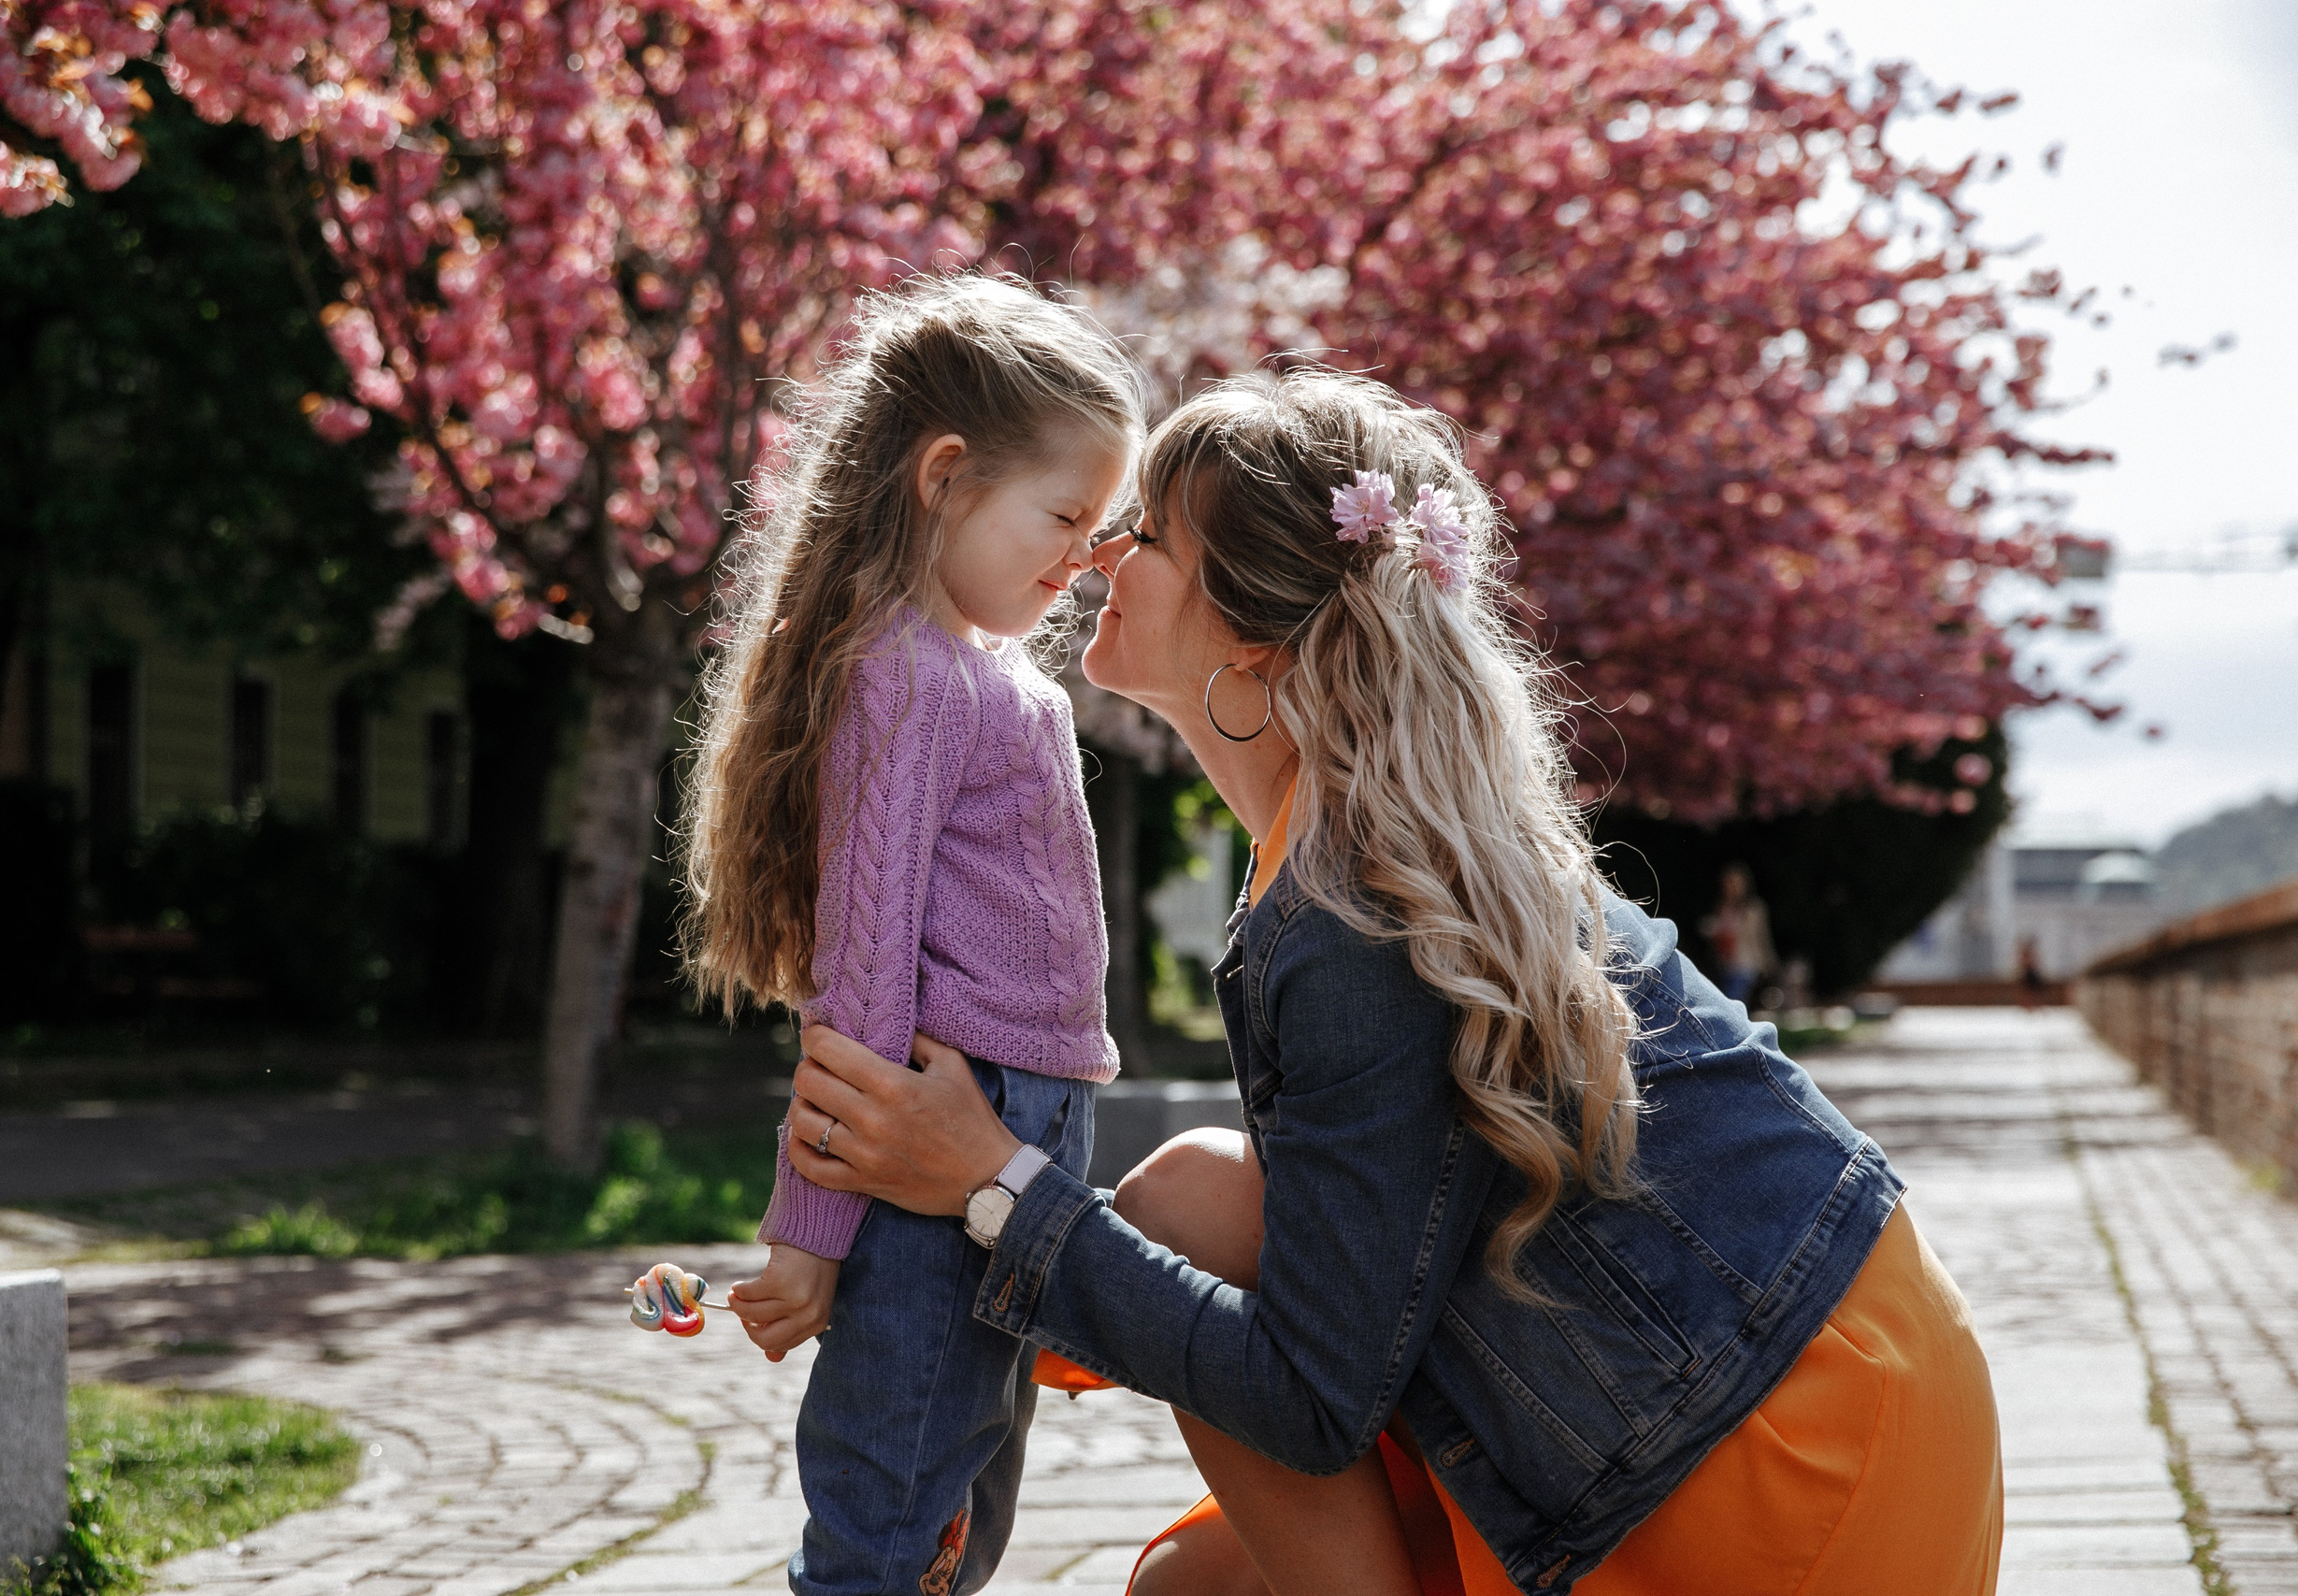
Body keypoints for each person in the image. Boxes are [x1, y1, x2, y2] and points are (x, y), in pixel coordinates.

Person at [779, 369, 2004, 1595]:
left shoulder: (1354, 909)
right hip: (1831, 1384)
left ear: (1251, 638)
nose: (1097, 551)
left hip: (1782, 1459)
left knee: (1176, 1210)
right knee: (1187, 1583)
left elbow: (1307, 1399)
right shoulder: (1350, 846)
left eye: (1145, 533)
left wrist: (995, 1185)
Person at [677, 273, 1146, 1596]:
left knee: (965, 1488)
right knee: (891, 1502)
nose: (1079, 560)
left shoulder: (981, 669)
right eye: (1063, 517)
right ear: (944, 475)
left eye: (1100, 531)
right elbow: (865, 976)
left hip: (1014, 1127)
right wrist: (810, 1230)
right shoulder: (905, 672)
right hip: (939, 1135)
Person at [1702, 862, 1776, 1011]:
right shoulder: (1722, 907)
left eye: (1735, 883)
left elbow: (1762, 939)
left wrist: (1770, 964)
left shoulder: (1754, 909)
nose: (1731, 887)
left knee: (1734, 1004)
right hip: (1725, 965)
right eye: (1728, 883)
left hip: (1746, 964)